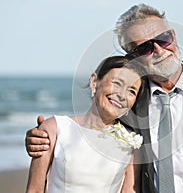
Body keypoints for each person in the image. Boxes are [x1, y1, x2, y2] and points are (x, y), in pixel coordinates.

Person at [25, 4, 183, 192]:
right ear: (133, 57)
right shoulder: (128, 104)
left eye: (163, 39)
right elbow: (91, 132)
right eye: (145, 47)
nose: (159, 50)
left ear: (173, 36)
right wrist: (39, 138)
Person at [26, 56, 145, 193]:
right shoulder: (55, 128)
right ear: (94, 82)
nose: (122, 95)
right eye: (117, 83)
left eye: (131, 91)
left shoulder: (132, 144)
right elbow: (34, 190)